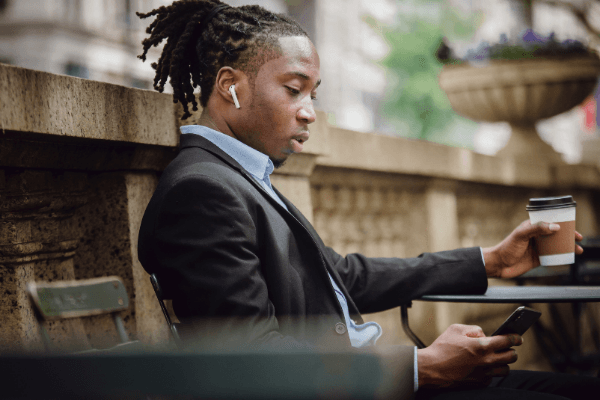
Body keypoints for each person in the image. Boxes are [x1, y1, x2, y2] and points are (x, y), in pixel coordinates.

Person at [136, 1, 599, 399]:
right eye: (293, 89)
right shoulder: (203, 191)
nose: (309, 112)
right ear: (229, 86)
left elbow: (343, 276)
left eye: (312, 94)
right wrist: (420, 367)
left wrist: (488, 261)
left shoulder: (237, 176)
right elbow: (251, 359)